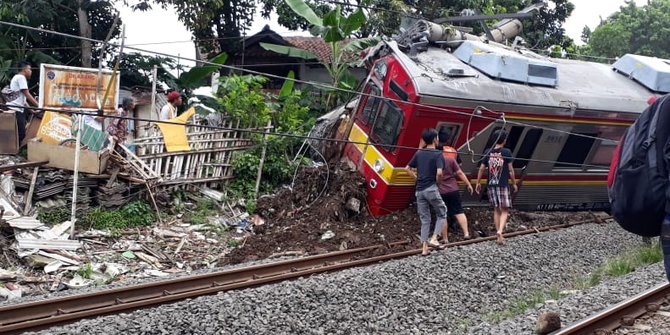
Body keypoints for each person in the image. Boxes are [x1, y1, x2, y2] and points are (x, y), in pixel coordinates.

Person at [406, 128, 448, 256]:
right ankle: (434, 239)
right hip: (431, 188)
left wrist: (417, 179)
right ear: (435, 139)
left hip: (419, 191)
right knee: (442, 212)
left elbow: (407, 169)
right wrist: (438, 183)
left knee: (425, 219)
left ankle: (424, 249)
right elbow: (440, 172)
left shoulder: (419, 153)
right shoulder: (438, 154)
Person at [475, 129, 518, 245]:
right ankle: (500, 231)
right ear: (504, 140)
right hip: (503, 184)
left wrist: (478, 182)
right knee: (505, 210)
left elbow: (481, 168)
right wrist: (514, 183)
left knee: (496, 209)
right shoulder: (506, 152)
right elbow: (510, 170)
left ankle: (499, 237)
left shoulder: (488, 151)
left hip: (491, 185)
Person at [438, 154, 474, 243]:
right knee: (459, 211)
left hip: (440, 191)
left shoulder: (432, 161)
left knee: (443, 215)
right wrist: (468, 184)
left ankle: (445, 239)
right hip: (453, 190)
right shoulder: (450, 159)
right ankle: (466, 234)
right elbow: (459, 173)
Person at [4, 61, 38, 143]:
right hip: (15, 109)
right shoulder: (21, 78)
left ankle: (13, 150)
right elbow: (26, 93)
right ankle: (13, 151)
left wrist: (32, 111)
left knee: (16, 132)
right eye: (29, 69)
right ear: (24, 69)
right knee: (21, 133)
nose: (31, 71)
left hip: (15, 108)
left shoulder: (17, 77)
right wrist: (39, 105)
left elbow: (23, 101)